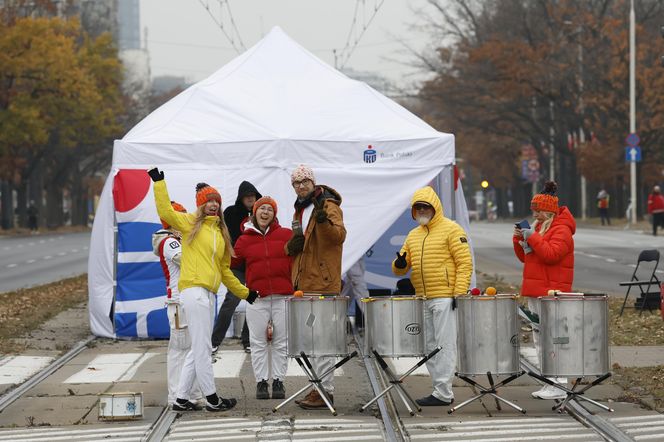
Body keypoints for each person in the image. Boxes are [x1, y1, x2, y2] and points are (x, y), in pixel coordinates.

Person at [148, 167, 258, 412]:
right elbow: (165, 211)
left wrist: (245, 293)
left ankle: (181, 398)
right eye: (208, 201)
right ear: (200, 204)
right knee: (203, 347)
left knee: (197, 348)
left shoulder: (220, 233)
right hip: (193, 290)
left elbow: (226, 271)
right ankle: (211, 398)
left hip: (208, 294)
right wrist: (159, 183)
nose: (213, 205)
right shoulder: (189, 224)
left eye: (216, 202)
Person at [392, 186, 472, 407]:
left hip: (445, 297)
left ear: (435, 207)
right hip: (423, 297)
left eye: (425, 207)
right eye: (418, 208)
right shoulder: (413, 235)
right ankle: (439, 389)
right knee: (429, 346)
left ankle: (444, 392)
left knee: (445, 345)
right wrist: (399, 265)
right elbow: (400, 268)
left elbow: (465, 264)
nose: (421, 211)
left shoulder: (451, 229)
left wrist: (458, 292)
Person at [284, 164, 346, 409]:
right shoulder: (300, 209)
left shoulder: (327, 205)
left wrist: (323, 222)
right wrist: (290, 247)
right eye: (296, 183)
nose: (300, 186)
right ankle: (317, 388)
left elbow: (338, 236)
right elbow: (300, 245)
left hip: (322, 283)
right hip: (305, 282)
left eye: (304, 182)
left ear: (313, 183)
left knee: (322, 341)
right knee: (311, 341)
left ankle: (324, 390)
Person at [513, 181, 575, 400]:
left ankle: (559, 383)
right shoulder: (540, 228)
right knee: (540, 338)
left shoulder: (562, 229)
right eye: (534, 210)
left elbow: (552, 254)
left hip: (552, 293)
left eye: (538, 210)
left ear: (549, 210)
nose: (535, 214)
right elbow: (526, 258)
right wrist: (520, 239)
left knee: (553, 337)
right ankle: (549, 381)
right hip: (536, 289)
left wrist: (532, 237)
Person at [233, 196, 292, 400]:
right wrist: (244, 288)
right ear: (254, 212)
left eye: (270, 209)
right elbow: (231, 265)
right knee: (257, 342)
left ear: (274, 214)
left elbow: (298, 258)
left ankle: (278, 381)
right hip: (256, 298)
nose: (265, 212)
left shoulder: (286, 235)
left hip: (283, 295)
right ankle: (261, 382)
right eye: (262, 208)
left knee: (281, 342)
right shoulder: (243, 239)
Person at [151, 201, 201, 406]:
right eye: (180, 216)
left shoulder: (179, 239)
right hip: (178, 302)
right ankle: (177, 395)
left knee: (192, 349)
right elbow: (186, 260)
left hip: (186, 299)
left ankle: (193, 393)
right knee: (180, 350)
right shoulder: (169, 242)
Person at [211, 181, 262, 354]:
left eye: (252, 195)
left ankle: (248, 340)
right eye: (247, 196)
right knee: (231, 300)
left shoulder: (262, 212)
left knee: (254, 301)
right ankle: (214, 341)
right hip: (237, 265)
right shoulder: (230, 213)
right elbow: (220, 233)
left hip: (256, 265)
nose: (250, 198)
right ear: (241, 197)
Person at [341, 256, 370, 330]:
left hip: (358, 251)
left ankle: (336, 316)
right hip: (350, 248)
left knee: (351, 284)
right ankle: (373, 320)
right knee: (358, 282)